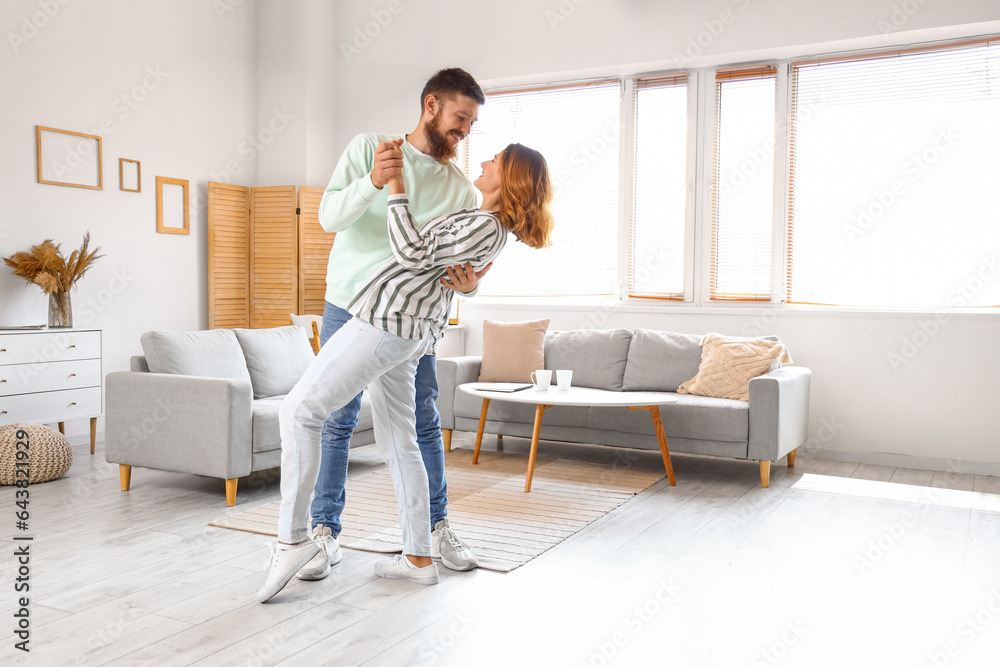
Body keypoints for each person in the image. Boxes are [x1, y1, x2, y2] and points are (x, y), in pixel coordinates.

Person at [257, 142, 555, 602]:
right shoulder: (484, 222)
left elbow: (413, 252)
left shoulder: (485, 225)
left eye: (494, 159)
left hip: (385, 325)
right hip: (405, 331)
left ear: (510, 176)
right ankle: (417, 558)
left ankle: (292, 540)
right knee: (399, 440)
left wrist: (395, 186)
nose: (483, 160)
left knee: (299, 412)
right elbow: (434, 267)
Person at [297, 69, 488, 584]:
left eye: (471, 122)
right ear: (431, 105)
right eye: (459, 118)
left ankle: (434, 528)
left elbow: (456, 270)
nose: (465, 130)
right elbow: (328, 217)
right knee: (336, 417)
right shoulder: (369, 149)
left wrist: (468, 286)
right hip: (349, 304)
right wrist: (373, 182)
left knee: (422, 419)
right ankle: (323, 533)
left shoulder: (462, 191)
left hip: (409, 320)